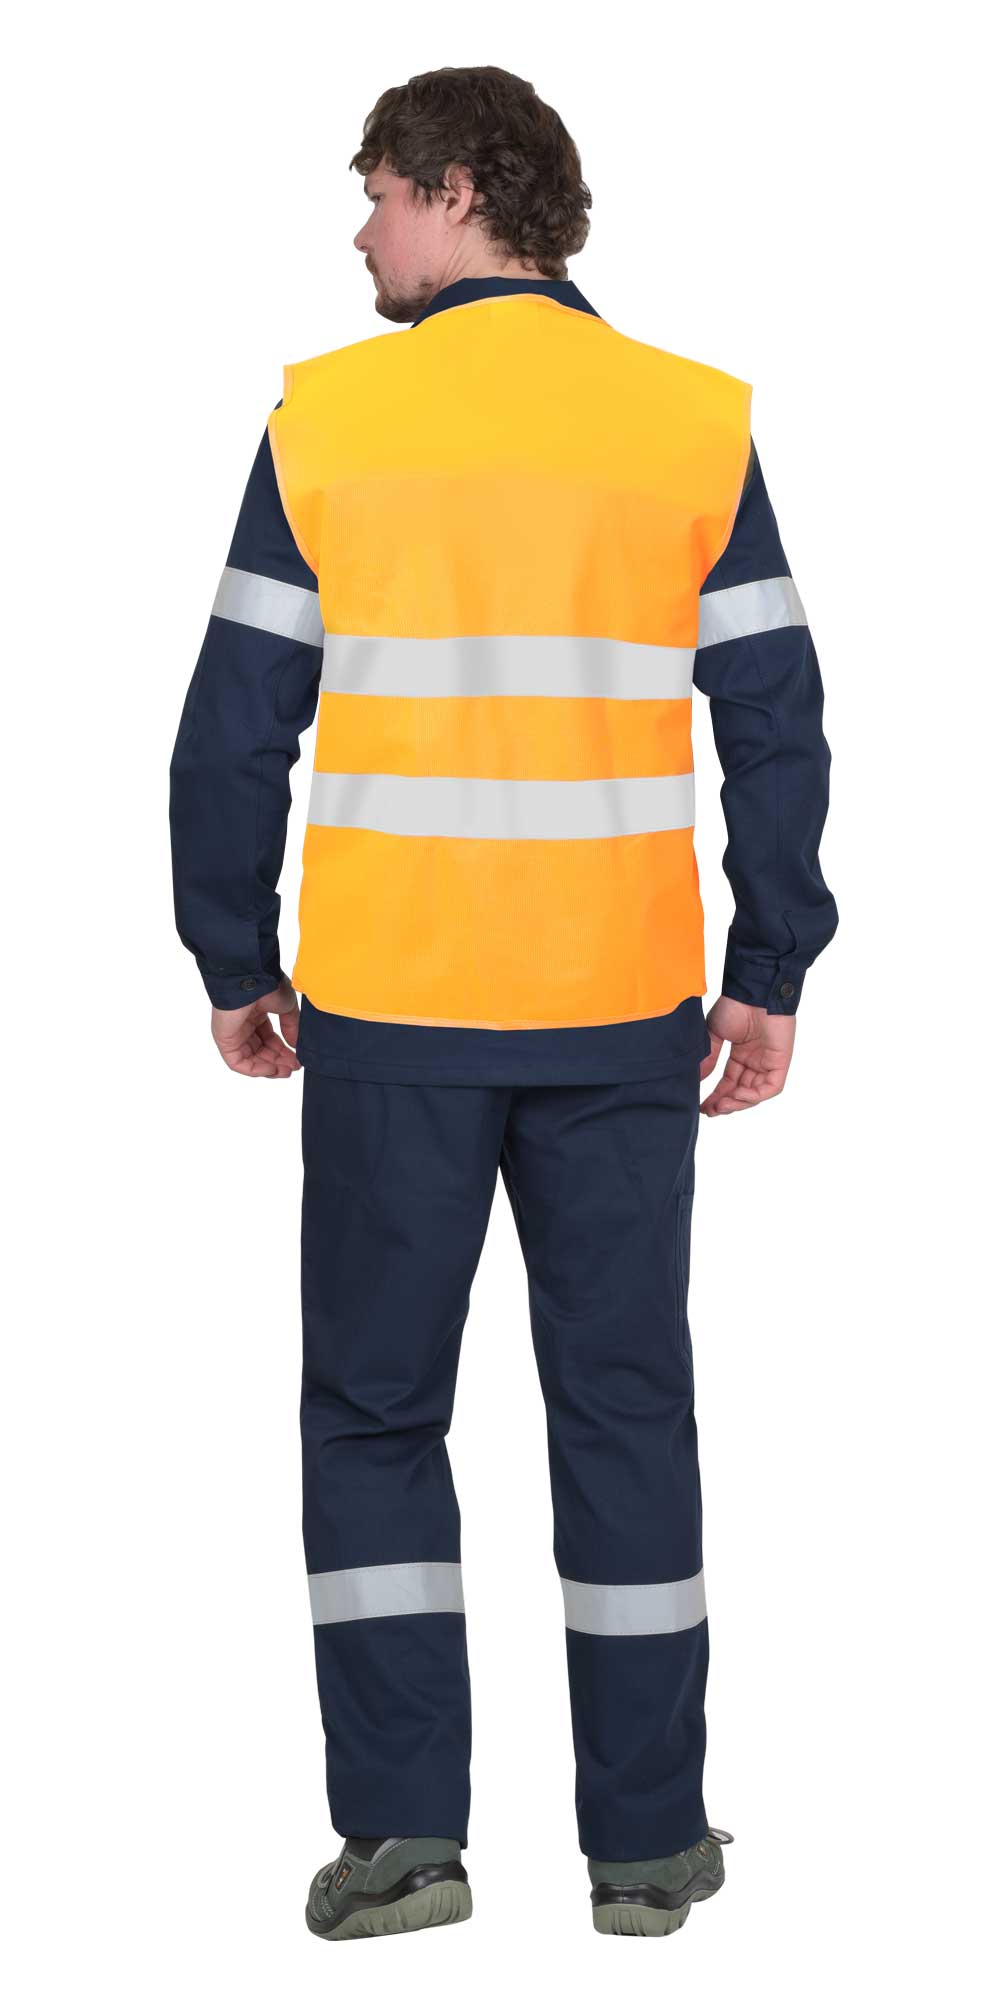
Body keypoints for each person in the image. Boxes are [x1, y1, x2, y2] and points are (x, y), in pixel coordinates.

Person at [169, 63, 837, 1943]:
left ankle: (403, 1843)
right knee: (624, 1409)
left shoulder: (330, 418)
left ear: (459, 190)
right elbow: (779, 723)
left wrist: (234, 958)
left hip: (390, 1012)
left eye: (378, 192)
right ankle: (649, 1848)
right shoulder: (688, 420)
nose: (362, 230)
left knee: (376, 1413)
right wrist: (767, 968)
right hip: (623, 1010)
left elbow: (231, 730)